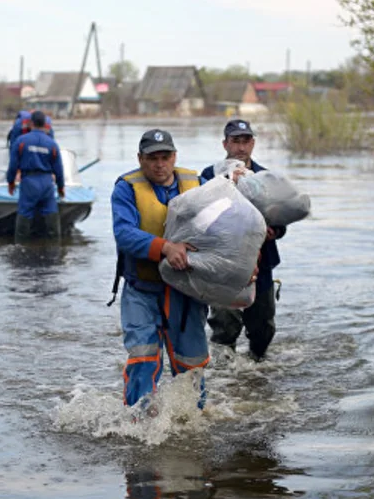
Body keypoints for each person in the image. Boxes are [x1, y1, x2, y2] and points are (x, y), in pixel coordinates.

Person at [111, 129, 209, 414]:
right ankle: (138, 423)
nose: (159, 164)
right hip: (142, 289)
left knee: (191, 366)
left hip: (186, 292)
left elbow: (222, 228)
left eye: (165, 157)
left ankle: (192, 422)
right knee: (143, 358)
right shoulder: (126, 188)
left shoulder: (198, 183)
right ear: (140, 159)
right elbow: (124, 233)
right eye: (152, 157)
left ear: (174, 157)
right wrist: (165, 247)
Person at [201, 119, 287, 361]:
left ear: (253, 143)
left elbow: (282, 219)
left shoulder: (266, 177)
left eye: (245, 141)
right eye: (235, 141)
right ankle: (227, 378)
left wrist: (275, 231)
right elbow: (197, 215)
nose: (241, 147)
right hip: (223, 263)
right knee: (224, 325)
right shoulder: (210, 175)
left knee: (263, 328)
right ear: (225, 143)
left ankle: (256, 371)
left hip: (262, 263)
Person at [7, 110, 65, 242]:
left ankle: (21, 248)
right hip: (47, 183)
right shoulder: (52, 144)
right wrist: (61, 187)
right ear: (45, 124)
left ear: (30, 123)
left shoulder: (21, 141)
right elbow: (59, 169)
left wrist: (10, 182)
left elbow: (13, 166)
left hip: (29, 182)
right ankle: (56, 250)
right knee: (51, 215)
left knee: (24, 214)